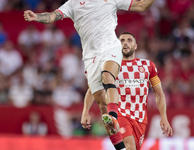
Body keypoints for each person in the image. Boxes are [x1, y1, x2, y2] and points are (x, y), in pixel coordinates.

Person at [24, 1, 155, 149]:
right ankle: (120, 147)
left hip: (110, 48)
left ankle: (115, 116)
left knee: (107, 76)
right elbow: (53, 16)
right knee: (101, 104)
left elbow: (142, 5)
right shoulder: (72, 4)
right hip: (90, 57)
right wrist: (36, 17)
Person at [81, 32, 173, 150]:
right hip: (120, 113)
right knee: (130, 146)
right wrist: (85, 111)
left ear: (135, 46)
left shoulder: (148, 65)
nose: (125, 43)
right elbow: (93, 89)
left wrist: (163, 116)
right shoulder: (110, 66)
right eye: (122, 40)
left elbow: (159, 93)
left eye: (129, 40)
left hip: (140, 118)